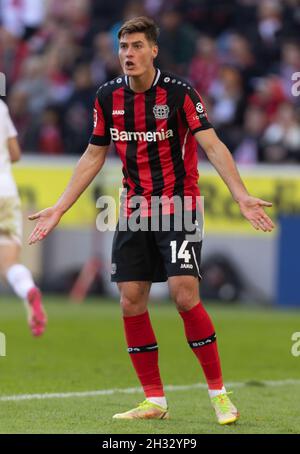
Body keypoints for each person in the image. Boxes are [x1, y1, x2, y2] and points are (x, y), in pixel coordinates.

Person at [28, 17, 274, 424]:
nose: (129, 53)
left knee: (183, 295)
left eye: (137, 46)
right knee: (130, 300)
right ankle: (154, 400)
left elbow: (212, 144)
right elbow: (93, 154)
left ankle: (219, 395)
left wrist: (241, 195)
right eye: (123, 46)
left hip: (179, 205)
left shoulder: (179, 94)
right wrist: (59, 207)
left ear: (154, 50)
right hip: (134, 209)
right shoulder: (107, 97)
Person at [0, 99, 47, 336]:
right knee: (8, 263)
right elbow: (15, 153)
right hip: (5, 192)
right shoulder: (1, 107)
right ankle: (29, 289)